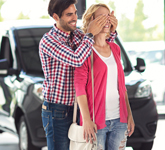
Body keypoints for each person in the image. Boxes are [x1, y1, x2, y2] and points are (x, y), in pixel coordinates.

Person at [39, 0, 118, 149]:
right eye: (69, 15)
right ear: (56, 17)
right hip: (57, 110)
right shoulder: (49, 41)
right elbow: (77, 59)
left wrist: (111, 30)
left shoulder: (79, 36)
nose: (75, 18)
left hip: (79, 108)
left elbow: (100, 45)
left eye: (75, 13)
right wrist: (89, 34)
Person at [74, 3, 135, 150]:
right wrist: (87, 120)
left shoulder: (115, 48)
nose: (106, 20)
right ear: (91, 20)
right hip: (96, 121)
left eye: (108, 17)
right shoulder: (85, 51)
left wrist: (129, 115)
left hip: (120, 120)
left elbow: (121, 86)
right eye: (101, 17)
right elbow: (79, 88)